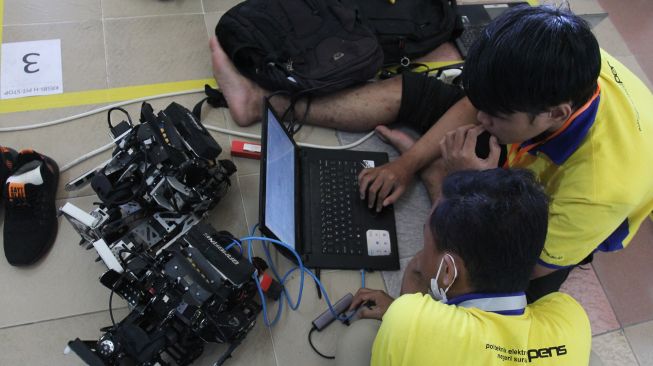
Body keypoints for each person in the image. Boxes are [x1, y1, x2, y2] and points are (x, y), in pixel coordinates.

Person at [211, 5, 653, 300]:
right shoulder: (549, 68)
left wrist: (459, 187)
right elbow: (476, 105)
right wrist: (408, 163)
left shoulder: (596, 190)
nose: (481, 122)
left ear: (553, 113)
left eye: (496, 117)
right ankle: (271, 103)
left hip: (546, 217)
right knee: (418, 92)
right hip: (528, 150)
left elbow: (522, 268)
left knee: (478, 282)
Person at [333, 168, 590, 366]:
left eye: (426, 241)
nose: (421, 256)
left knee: (359, 338)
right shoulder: (571, 319)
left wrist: (406, 305)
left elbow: (416, 328)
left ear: (448, 272)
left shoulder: (409, 320)